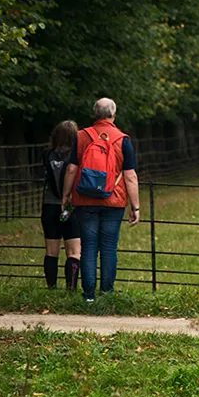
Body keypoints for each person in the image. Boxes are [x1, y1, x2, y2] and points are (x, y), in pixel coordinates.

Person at [60, 98, 140, 303]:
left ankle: (88, 296)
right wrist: (135, 206)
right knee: (108, 247)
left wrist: (66, 195)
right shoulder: (123, 139)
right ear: (114, 114)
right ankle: (107, 294)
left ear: (95, 114)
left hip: (85, 200)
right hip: (113, 200)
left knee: (88, 247)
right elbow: (130, 175)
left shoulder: (82, 136)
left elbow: (71, 168)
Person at [41, 120, 82, 290]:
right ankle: (70, 288)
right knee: (74, 252)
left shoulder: (47, 154)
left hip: (49, 206)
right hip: (70, 206)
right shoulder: (77, 155)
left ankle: (51, 287)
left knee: (51, 251)